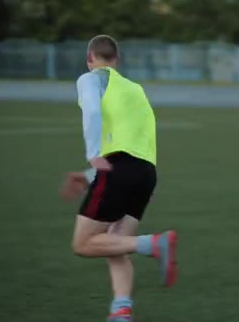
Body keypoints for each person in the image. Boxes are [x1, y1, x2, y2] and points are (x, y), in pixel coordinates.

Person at [59, 34, 177, 322]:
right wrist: (90, 176)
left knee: (84, 244)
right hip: (145, 174)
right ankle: (121, 309)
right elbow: (131, 146)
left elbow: (92, 112)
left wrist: (92, 155)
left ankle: (154, 244)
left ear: (90, 59)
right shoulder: (135, 89)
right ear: (117, 60)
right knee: (114, 245)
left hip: (118, 169)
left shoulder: (91, 78)